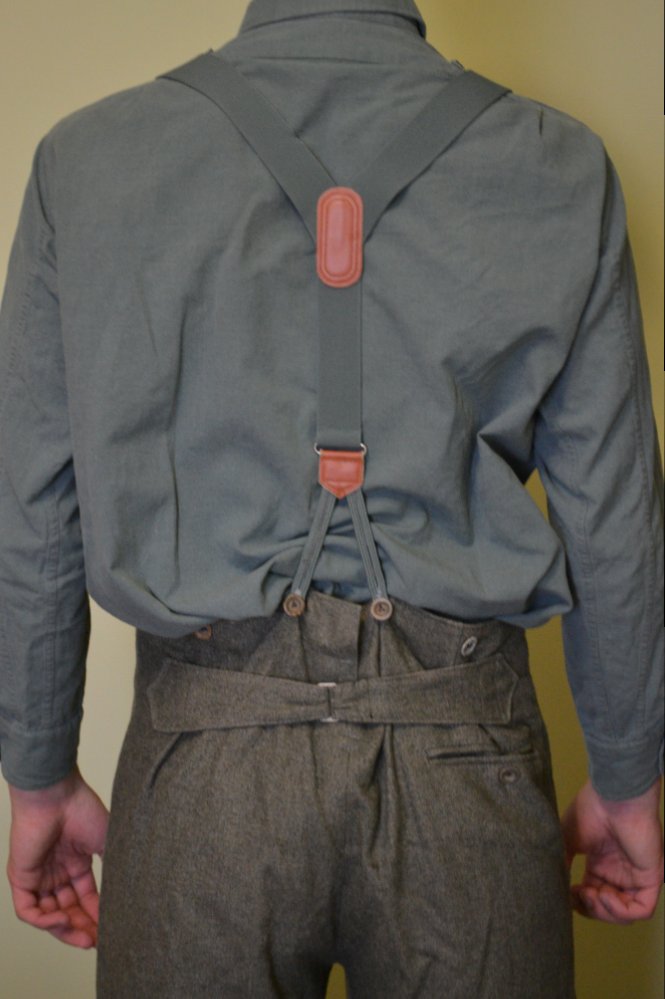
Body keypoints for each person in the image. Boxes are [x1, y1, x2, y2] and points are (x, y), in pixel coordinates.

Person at [1, 0, 663, 995]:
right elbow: (613, 517)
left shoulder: (88, 158)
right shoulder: (558, 164)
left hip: (201, 772)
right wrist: (625, 778)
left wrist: (38, 772)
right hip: (467, 760)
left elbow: (34, 508)